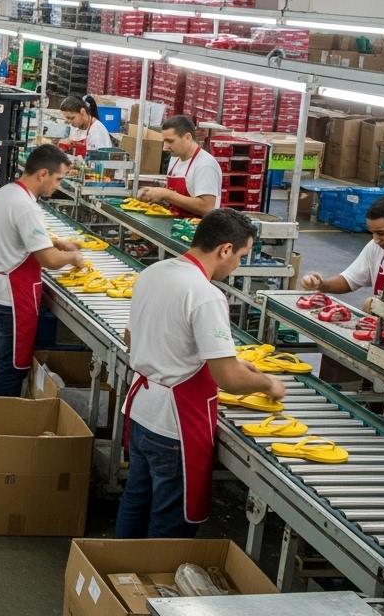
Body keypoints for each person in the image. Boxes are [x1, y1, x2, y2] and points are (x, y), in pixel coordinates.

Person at [118, 209, 285, 539]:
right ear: (224, 249)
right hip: (174, 425)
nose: (237, 265)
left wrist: (233, 363)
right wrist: (268, 383)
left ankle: (119, 580)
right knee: (170, 519)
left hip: (141, 411)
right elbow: (228, 379)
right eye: (240, 256)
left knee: (136, 501)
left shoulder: (155, 271)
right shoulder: (206, 294)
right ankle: (156, 588)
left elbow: (131, 337)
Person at [0, 144, 85, 396]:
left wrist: (55, 241)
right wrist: (73, 257)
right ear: (42, 174)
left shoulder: (6, 192)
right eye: (57, 179)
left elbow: (16, 235)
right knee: (13, 367)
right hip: (13, 299)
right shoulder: (28, 208)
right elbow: (48, 259)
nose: (57, 186)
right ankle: (2, 428)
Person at [300, 195, 384, 312]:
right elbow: (350, 280)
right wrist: (320, 285)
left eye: (381, 233)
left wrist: (380, 307)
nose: (376, 240)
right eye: (372, 233)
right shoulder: (376, 247)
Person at [137, 115, 221, 218]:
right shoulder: (175, 158)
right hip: (177, 226)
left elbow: (207, 208)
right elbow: (176, 198)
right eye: (164, 141)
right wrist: (152, 193)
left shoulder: (205, 164)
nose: (165, 147)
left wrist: (166, 194)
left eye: (170, 141)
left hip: (197, 230)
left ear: (187, 138)